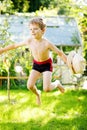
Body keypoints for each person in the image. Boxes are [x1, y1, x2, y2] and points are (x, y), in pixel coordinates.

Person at [0, 17, 68, 105]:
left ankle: (57, 83)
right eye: (31, 29)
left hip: (47, 65)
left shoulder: (47, 43)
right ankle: (38, 94)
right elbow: (14, 45)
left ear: (43, 30)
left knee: (47, 89)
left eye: (35, 29)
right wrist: (2, 50)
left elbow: (60, 53)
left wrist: (69, 62)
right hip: (36, 65)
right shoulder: (29, 41)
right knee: (30, 86)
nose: (32, 31)